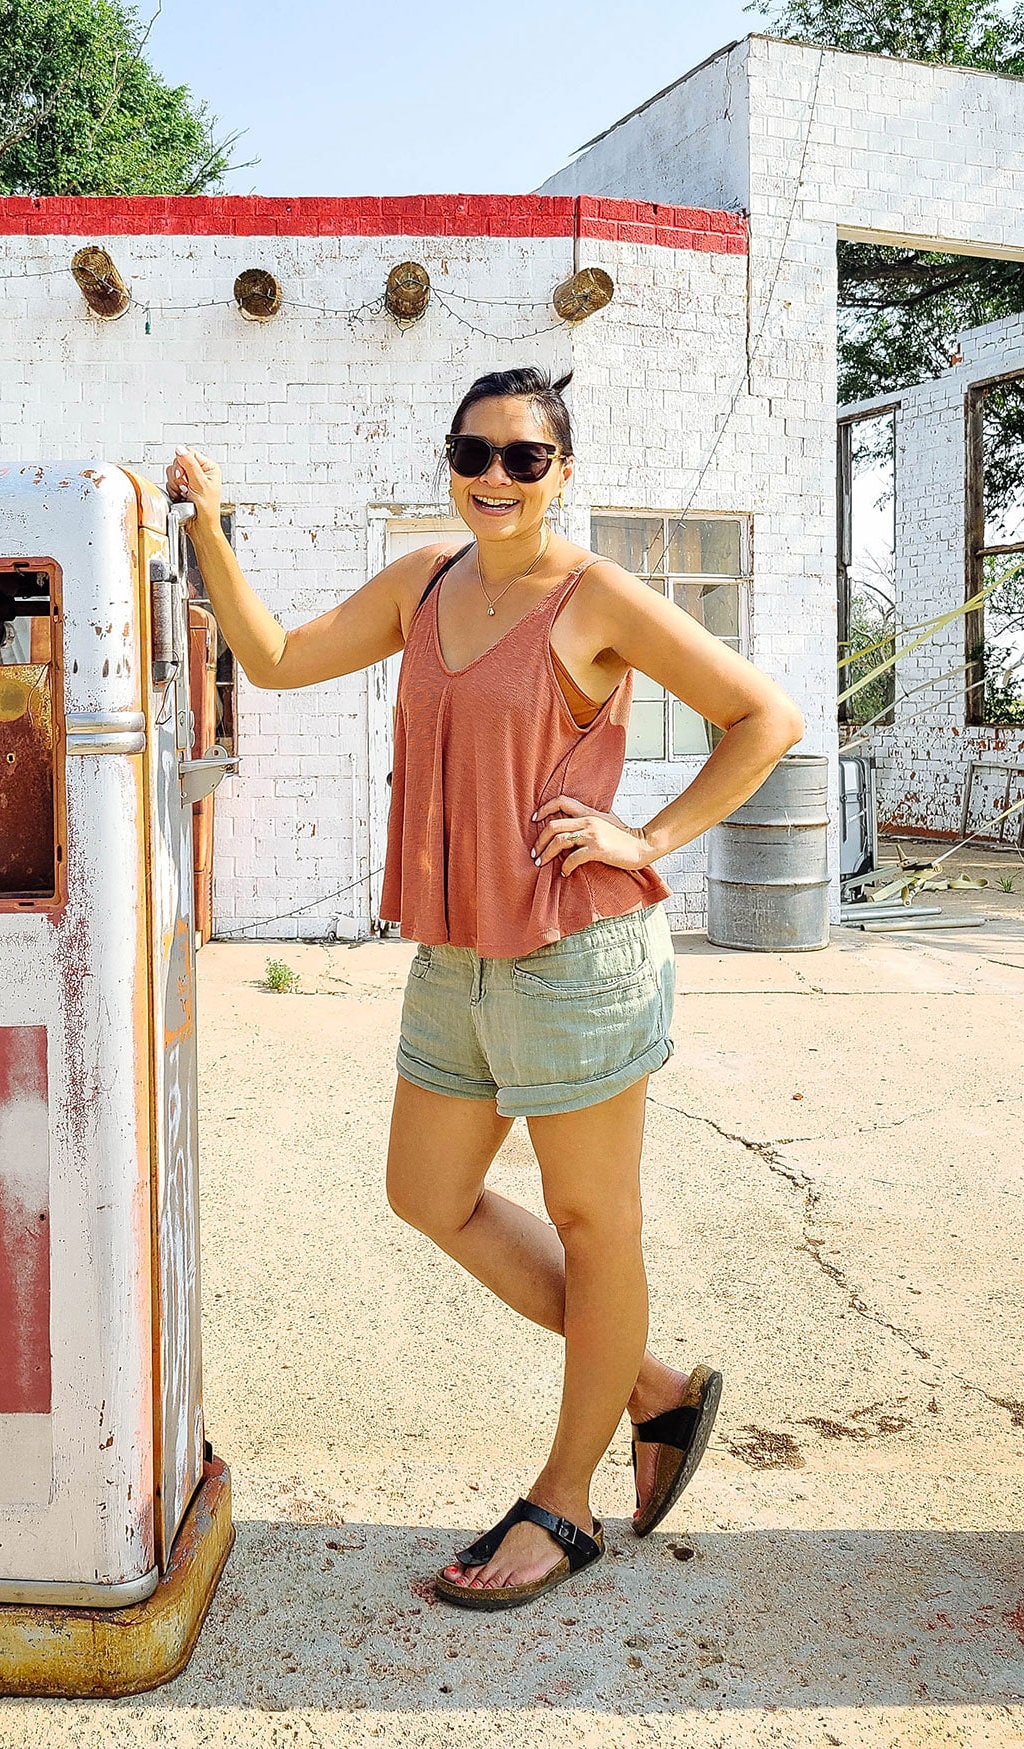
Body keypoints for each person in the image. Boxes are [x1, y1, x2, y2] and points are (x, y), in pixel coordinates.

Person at [166, 365, 803, 1613]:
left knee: (590, 1220)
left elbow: (762, 718)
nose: (494, 478)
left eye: (524, 458)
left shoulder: (594, 596)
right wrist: (207, 528)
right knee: (428, 1193)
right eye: (474, 453)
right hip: (455, 950)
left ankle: (562, 1505)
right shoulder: (422, 581)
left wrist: (645, 839)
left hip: (574, 950)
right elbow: (280, 656)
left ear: (562, 473)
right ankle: (653, 1388)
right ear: (448, 465)